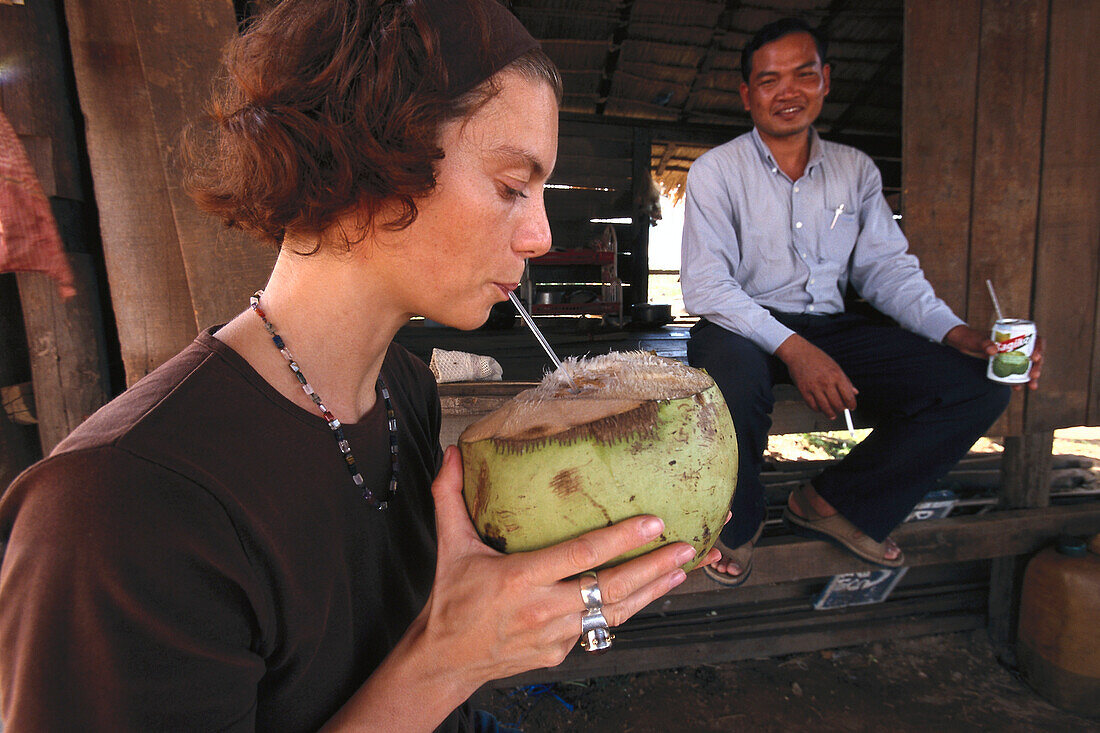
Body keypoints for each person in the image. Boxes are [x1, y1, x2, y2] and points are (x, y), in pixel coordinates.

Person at [0, 1, 720, 729]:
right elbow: (439, 655)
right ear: (370, 156)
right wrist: (453, 658)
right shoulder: (114, 510)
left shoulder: (404, 388)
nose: (537, 235)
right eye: (511, 187)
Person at [680, 17, 1042, 586]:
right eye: (769, 80)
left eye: (803, 74)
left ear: (825, 80)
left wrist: (959, 334)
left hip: (831, 325)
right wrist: (795, 349)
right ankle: (736, 521)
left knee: (977, 381)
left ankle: (829, 503)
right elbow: (707, 287)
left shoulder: (855, 171)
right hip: (740, 322)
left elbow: (886, 271)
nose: (788, 91)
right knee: (726, 374)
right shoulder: (716, 171)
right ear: (747, 95)